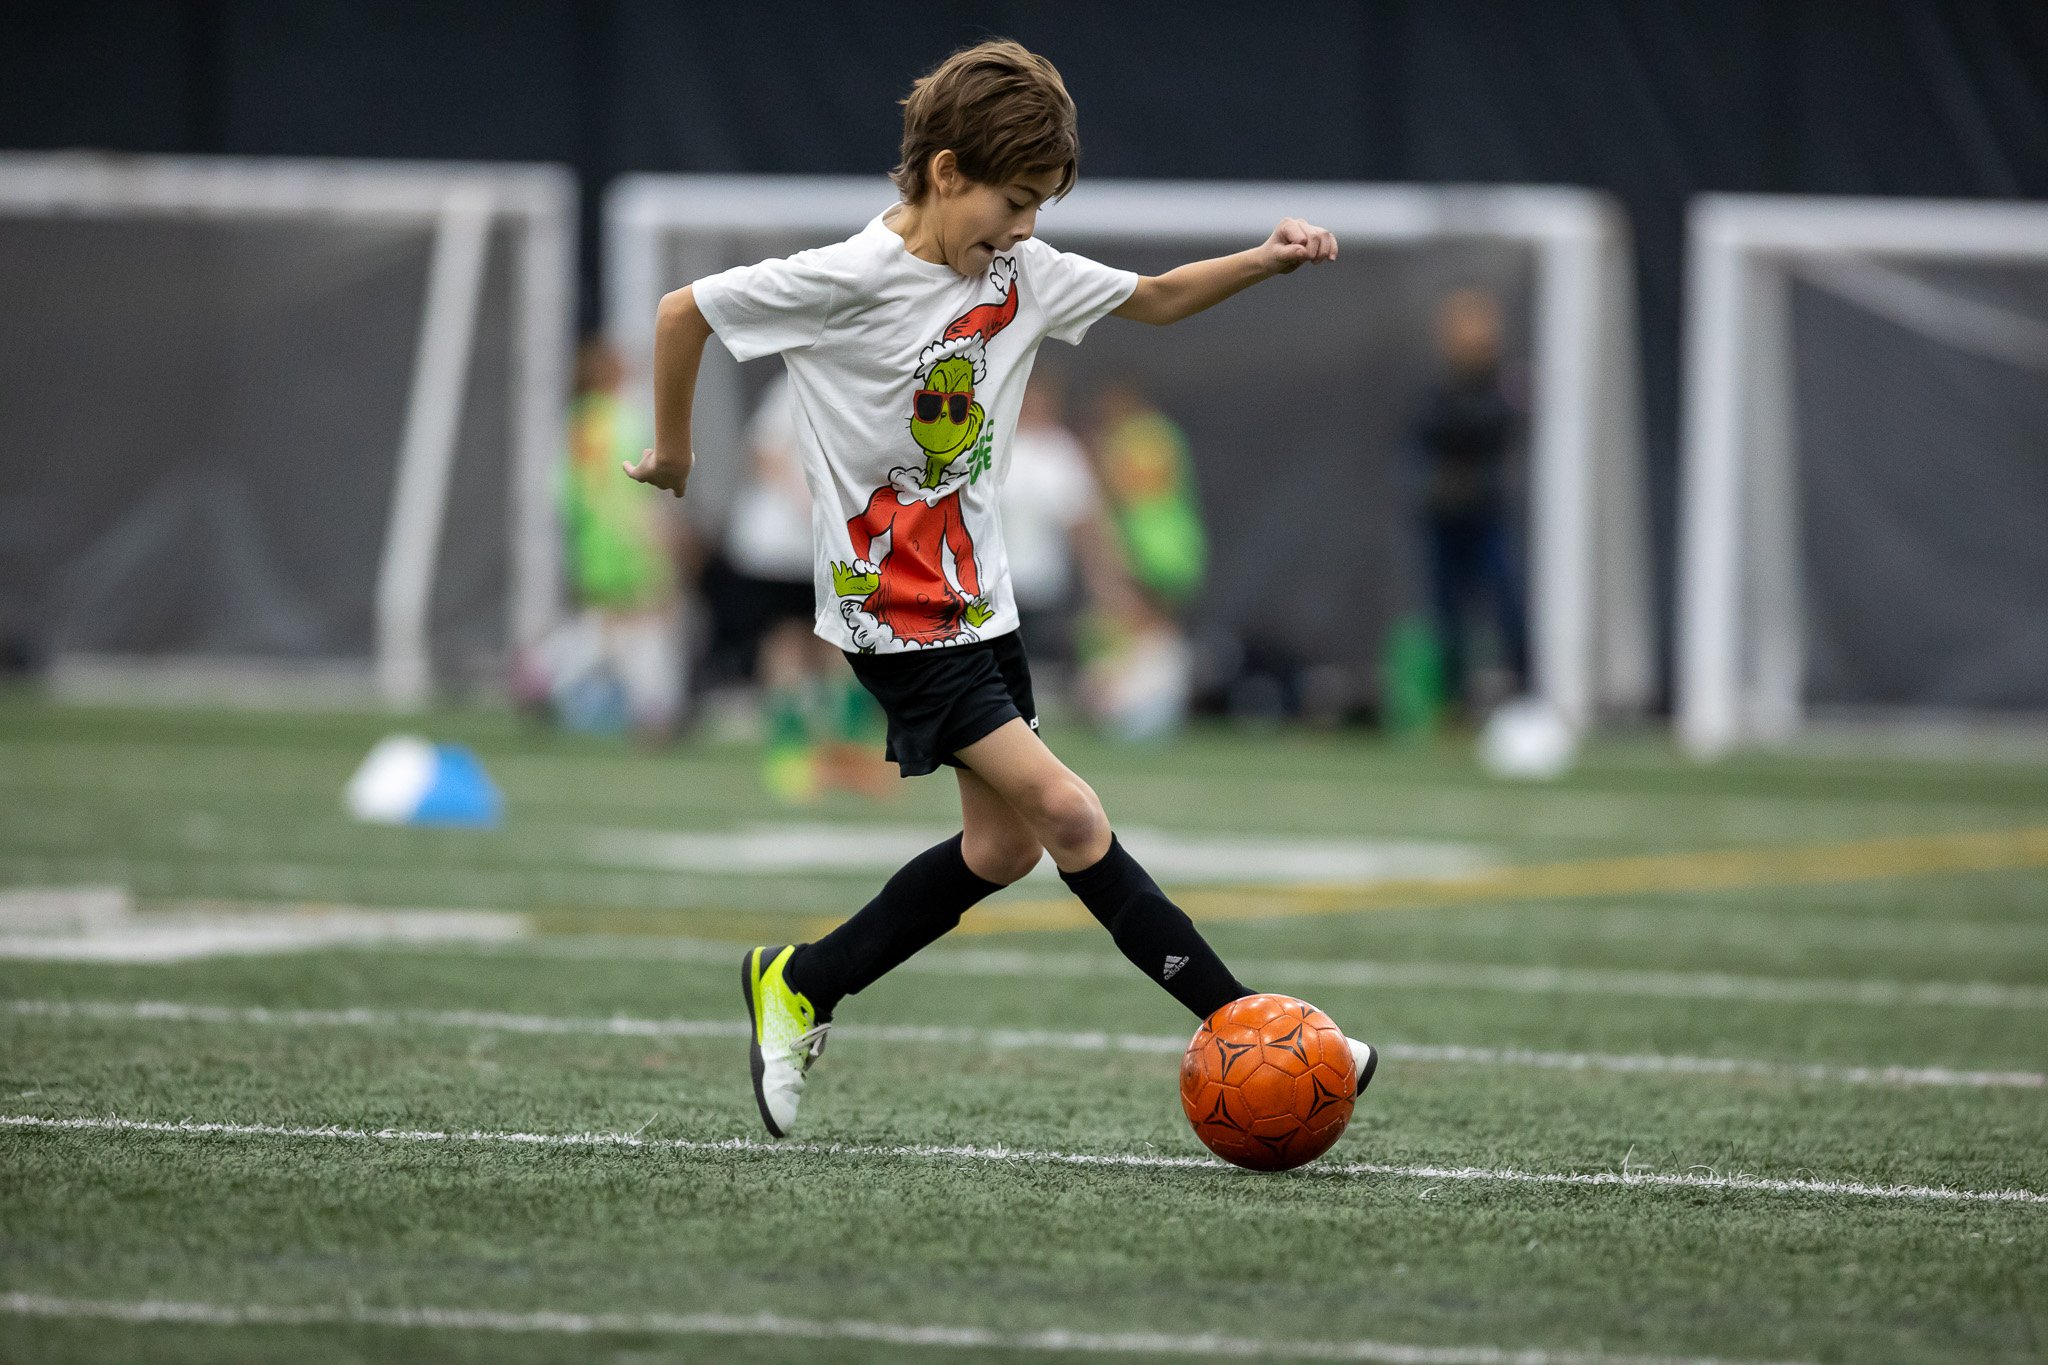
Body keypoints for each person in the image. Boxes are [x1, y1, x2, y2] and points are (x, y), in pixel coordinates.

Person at [625, 39, 1376, 1138]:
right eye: (1012, 202)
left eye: (1038, 208)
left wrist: (1262, 260)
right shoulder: (843, 280)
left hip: (987, 607)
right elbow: (678, 312)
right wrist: (676, 454)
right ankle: (1255, 1025)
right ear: (942, 172)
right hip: (895, 622)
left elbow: (1158, 298)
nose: (1023, 229)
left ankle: (800, 982)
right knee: (1068, 813)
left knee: (1002, 848)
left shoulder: (1016, 276)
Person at [728, 372, 895, 801]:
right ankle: (789, 753)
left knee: (842, 644)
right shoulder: (792, 386)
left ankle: (845, 755)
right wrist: (805, 499)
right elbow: (764, 453)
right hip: (782, 546)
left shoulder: (863, 389)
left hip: (834, 545)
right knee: (787, 640)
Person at [534, 338, 682, 741]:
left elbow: (561, 493)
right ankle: (652, 711)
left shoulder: (577, 424)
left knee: (611, 623)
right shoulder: (625, 419)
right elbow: (647, 484)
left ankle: (544, 673)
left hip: (591, 542)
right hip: (630, 537)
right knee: (644, 620)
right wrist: (659, 535)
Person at [1412, 288, 1529, 714]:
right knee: (1447, 615)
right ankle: (1453, 701)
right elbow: (1428, 431)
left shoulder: (1501, 386)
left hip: (1485, 513)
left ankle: (1522, 692)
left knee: (1505, 603)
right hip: (1445, 517)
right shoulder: (1438, 389)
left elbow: (1495, 428)